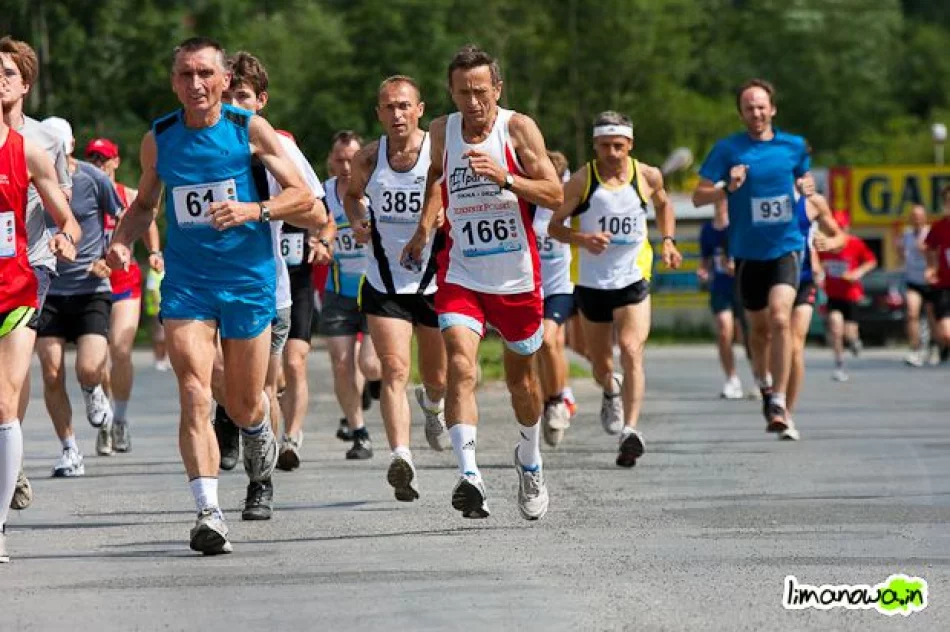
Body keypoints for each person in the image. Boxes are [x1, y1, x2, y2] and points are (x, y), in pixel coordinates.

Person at [106, 37, 315, 555]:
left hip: (248, 281)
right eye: (185, 74)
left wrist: (253, 211)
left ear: (223, 80)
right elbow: (146, 204)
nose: (195, 84)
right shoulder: (160, 138)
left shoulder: (250, 130)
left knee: (243, 402)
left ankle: (257, 426)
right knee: (195, 392)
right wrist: (122, 239)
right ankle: (208, 511)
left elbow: (302, 198)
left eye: (204, 73)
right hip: (189, 283)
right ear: (173, 82)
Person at [402, 45, 563, 520]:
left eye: (480, 92)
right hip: (462, 271)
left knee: (522, 384)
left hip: (516, 277)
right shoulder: (441, 130)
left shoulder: (518, 128)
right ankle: (469, 474)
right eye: (462, 93)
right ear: (450, 93)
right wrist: (424, 228)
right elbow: (437, 179)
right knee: (460, 364)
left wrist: (507, 178)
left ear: (497, 88)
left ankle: (529, 459)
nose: (472, 102)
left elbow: (555, 193)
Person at [549, 111, 682, 467]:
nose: (612, 153)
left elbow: (664, 204)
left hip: (633, 277)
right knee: (600, 364)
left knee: (631, 349)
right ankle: (610, 390)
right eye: (605, 145)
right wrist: (582, 238)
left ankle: (630, 430)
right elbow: (554, 226)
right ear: (595, 145)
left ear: (630, 145)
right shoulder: (582, 181)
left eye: (618, 146)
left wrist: (668, 241)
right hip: (592, 281)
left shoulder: (648, 176)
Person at [219, 53, 327, 486]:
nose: (233, 105)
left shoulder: (277, 145)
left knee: (264, 388)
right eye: (226, 96)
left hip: (266, 285)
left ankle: (259, 482)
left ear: (260, 101)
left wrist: (262, 209)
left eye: (242, 96)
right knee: (206, 374)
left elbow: (316, 213)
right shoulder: (191, 139)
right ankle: (225, 409)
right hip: (202, 285)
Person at [344, 75, 448, 501]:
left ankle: (434, 405)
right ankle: (401, 457)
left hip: (435, 281)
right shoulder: (368, 158)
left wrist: (438, 219)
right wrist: (357, 219)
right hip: (385, 281)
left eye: (404, 105)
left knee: (438, 376)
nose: (397, 113)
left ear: (419, 110)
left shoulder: (438, 154)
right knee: (394, 369)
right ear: (379, 113)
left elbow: (454, 194)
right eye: (389, 106)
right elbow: (352, 196)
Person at [693, 78, 814, 434]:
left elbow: (805, 180)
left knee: (780, 318)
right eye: (749, 108)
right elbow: (699, 196)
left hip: (786, 247)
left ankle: (779, 399)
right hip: (747, 253)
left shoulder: (793, 146)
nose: (756, 113)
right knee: (758, 332)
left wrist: (807, 186)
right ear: (741, 114)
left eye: (761, 107)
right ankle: (764, 383)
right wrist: (726, 188)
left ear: (772, 109)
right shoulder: (727, 150)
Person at [0, 75, 80, 561]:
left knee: (4, 402)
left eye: (5, 73)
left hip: (15, 286)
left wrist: (65, 236)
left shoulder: (28, 151)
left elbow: (66, 217)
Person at [38, 117, 124, 469]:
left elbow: (122, 218)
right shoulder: (32, 179)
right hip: (48, 289)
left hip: (91, 287)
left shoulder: (93, 178)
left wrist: (110, 257)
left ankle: (93, 389)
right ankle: (70, 449)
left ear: (70, 146)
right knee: (51, 371)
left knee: (88, 368)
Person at [85, 137, 164, 453]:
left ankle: (119, 419)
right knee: (97, 361)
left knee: (120, 350)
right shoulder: (82, 193)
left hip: (124, 283)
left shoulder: (128, 194)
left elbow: (147, 221)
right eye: (93, 158)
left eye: (103, 158)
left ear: (115, 162)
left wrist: (154, 252)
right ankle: (104, 419)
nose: (98, 164)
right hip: (92, 283)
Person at [320, 130, 382, 460]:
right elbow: (313, 226)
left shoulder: (376, 190)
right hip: (337, 291)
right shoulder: (323, 194)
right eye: (340, 160)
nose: (346, 167)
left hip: (374, 288)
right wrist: (319, 241)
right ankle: (359, 432)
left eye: (352, 160)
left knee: (370, 364)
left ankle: (373, 382)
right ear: (331, 161)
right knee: (341, 362)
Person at [784, 184, 845, 439]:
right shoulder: (763, 190)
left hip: (804, 279)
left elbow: (840, 237)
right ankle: (769, 388)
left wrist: (829, 242)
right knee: (768, 339)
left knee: (795, 345)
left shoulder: (812, 202)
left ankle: (786, 413)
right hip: (770, 277)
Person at [533, 150, 576, 447]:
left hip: (560, 286)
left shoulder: (571, 202)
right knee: (541, 348)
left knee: (550, 341)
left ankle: (558, 400)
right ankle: (553, 398)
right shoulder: (528, 201)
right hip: (530, 288)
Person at [698, 198, 748, 399]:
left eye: (725, 200)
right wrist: (703, 271)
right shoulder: (707, 230)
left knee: (747, 335)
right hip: (720, 287)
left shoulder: (739, 226)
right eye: (718, 200)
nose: (721, 204)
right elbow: (706, 259)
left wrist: (738, 266)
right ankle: (731, 379)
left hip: (742, 287)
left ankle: (761, 376)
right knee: (724, 330)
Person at [818, 212, 877, 382]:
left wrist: (857, 273)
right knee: (835, 328)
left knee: (849, 333)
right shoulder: (825, 245)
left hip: (851, 295)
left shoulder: (855, 243)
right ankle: (839, 364)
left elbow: (871, 261)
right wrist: (819, 274)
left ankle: (854, 340)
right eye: (834, 229)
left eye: (841, 228)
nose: (837, 232)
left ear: (847, 228)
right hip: (833, 295)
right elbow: (818, 262)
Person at [897, 205, 936, 367]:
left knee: (932, 317)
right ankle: (916, 348)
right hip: (912, 280)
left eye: (919, 216)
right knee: (912, 313)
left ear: (925, 217)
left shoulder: (931, 232)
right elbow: (901, 254)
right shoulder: (906, 234)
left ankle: (933, 346)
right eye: (914, 216)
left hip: (931, 281)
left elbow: (938, 254)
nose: (917, 219)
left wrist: (927, 254)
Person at [924, 185, 950, 360]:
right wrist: (931, 268)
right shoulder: (939, 227)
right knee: (946, 333)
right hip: (944, 285)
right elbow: (929, 248)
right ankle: (943, 346)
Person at [144, 266, 169, 370]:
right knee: (160, 335)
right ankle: (159, 359)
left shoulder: (168, 269)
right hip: (156, 308)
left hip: (168, 308)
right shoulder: (153, 272)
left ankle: (165, 359)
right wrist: (157, 305)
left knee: (168, 335)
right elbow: (152, 290)